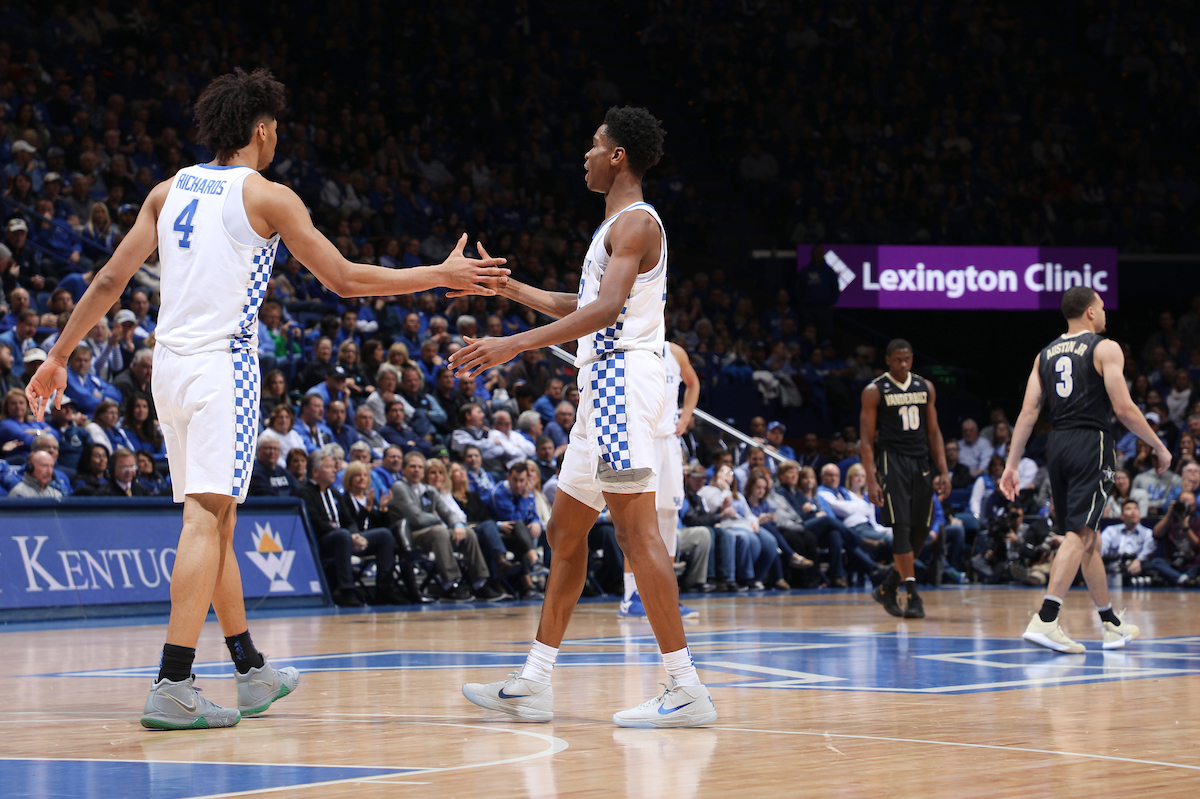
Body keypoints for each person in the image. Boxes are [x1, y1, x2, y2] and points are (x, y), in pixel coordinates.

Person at [24, 68, 507, 731]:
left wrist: (56, 353)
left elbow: (111, 276)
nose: (277, 137)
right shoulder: (269, 197)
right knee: (205, 516)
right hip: (223, 367)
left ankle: (250, 669)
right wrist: (440, 275)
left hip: (167, 366)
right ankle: (173, 680)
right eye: (275, 127)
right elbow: (341, 279)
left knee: (217, 520)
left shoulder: (168, 190)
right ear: (260, 129)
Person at [454, 107, 717, 727]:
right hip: (602, 387)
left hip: (624, 381)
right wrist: (511, 293)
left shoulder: (635, 224)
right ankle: (535, 683)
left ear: (618, 155)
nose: (587, 157)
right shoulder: (612, 230)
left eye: (594, 147)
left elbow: (605, 312)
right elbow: (588, 301)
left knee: (637, 534)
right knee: (565, 533)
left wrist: (516, 343)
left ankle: (684, 687)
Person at [1000, 286, 1172, 653]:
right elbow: (1123, 408)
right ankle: (1046, 619)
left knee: (1087, 535)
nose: (1106, 311)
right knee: (1080, 535)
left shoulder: (1043, 354)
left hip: (1056, 445)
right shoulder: (1104, 346)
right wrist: (1158, 445)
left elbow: (1029, 413)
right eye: (1103, 306)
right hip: (1090, 442)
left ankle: (1109, 623)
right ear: (1091, 312)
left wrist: (1012, 464)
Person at [860, 338, 951, 619]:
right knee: (901, 527)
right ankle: (912, 595)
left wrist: (943, 470)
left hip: (920, 461)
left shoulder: (925, 387)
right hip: (892, 461)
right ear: (887, 360)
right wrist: (872, 479)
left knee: (920, 530)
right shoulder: (875, 390)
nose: (902, 364)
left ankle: (887, 587)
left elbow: (934, 433)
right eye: (897, 360)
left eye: (907, 360)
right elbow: (865, 441)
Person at [620, 340, 701, 619]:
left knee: (669, 516)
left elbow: (693, 384)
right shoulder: (630, 346)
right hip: (640, 441)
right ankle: (631, 595)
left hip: (668, 443)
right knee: (638, 521)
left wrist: (686, 414)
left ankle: (666, 595)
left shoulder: (676, 352)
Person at [296, 448, 400, 607]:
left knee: (384, 535)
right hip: (322, 541)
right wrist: (349, 536)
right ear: (315, 472)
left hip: (345, 538)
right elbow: (317, 523)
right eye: (329, 467)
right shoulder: (304, 493)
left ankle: (384, 589)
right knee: (343, 535)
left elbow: (349, 520)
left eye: (334, 466)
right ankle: (345, 590)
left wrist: (355, 535)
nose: (334, 470)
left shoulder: (334, 493)